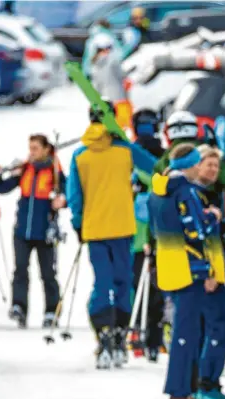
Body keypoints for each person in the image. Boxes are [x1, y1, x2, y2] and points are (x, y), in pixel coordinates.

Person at [67, 101, 157, 370]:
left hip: (95, 229)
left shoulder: (80, 154)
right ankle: (118, 332)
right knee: (122, 282)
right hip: (122, 227)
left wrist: (78, 223)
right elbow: (154, 166)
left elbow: (75, 195)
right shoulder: (124, 151)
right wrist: (127, 146)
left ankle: (103, 332)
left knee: (101, 282)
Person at [148, 143, 222, 399]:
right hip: (190, 269)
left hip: (168, 265)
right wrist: (212, 216)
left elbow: (157, 229)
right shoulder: (186, 191)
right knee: (186, 332)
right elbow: (196, 232)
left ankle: (182, 388)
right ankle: (180, 391)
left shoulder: (157, 189)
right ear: (190, 165)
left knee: (183, 329)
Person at [0, 134, 66, 328]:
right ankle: (19, 306)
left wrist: (62, 200)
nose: (31, 152)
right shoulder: (25, 169)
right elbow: (2, 188)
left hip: (45, 232)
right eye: (30, 148)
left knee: (48, 274)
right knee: (20, 271)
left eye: (35, 148)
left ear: (46, 149)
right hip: (22, 230)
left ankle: (52, 310)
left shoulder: (54, 171)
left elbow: (67, 192)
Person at [192, 144, 225, 399]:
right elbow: (196, 238)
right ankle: (206, 383)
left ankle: (206, 381)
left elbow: (211, 232)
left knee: (214, 329)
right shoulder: (193, 195)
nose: (212, 169)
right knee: (218, 329)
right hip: (207, 275)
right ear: (196, 165)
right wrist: (208, 272)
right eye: (207, 164)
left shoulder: (209, 194)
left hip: (216, 271)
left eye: (216, 165)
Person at [131, 109, 165, 361]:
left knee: (146, 284)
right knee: (151, 286)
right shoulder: (160, 156)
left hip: (143, 232)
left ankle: (150, 336)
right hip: (144, 231)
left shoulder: (134, 154)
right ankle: (151, 336)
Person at [90, 34, 132, 131]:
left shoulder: (94, 65)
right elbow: (122, 75)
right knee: (125, 128)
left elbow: (96, 86)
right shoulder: (112, 60)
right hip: (120, 99)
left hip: (106, 103)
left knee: (112, 128)